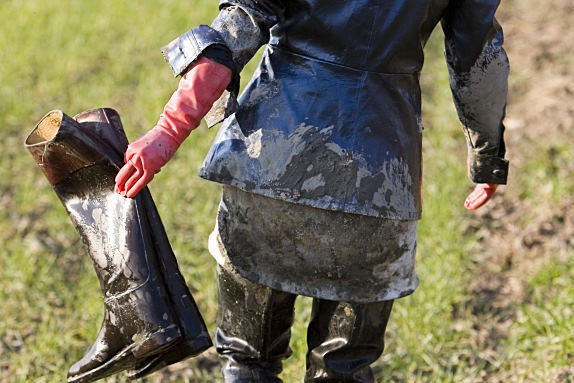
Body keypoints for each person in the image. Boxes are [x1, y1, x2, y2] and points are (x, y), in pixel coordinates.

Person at [114, 0, 510, 381]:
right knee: (344, 367)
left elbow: (236, 28)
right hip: (381, 177)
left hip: (268, 164)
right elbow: (478, 62)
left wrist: (168, 131)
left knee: (248, 359)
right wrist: (487, 156)